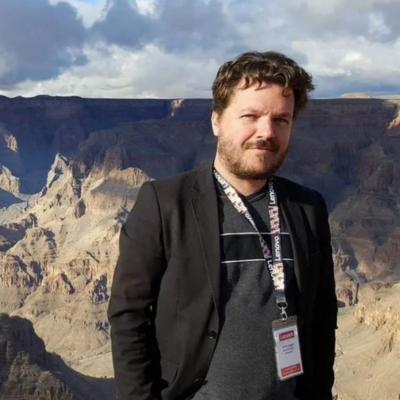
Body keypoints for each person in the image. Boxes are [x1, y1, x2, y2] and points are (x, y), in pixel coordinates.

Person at [108, 51, 338, 400]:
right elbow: (129, 316)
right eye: (251, 116)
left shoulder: (307, 207)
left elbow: (321, 318)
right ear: (217, 120)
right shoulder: (164, 203)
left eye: (281, 120)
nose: (267, 132)